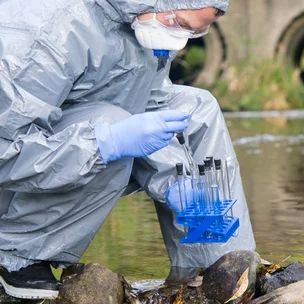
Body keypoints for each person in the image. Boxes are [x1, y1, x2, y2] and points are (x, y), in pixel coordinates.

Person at [0, 0, 255, 299]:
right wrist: (107, 143)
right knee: (111, 125)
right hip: (13, 169)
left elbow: (151, 104)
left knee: (198, 109)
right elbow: (7, 151)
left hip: (62, 140)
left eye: (195, 33)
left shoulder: (146, 22)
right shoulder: (49, 30)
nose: (181, 40)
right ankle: (18, 256)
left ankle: (220, 267)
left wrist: (174, 181)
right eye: (182, 25)